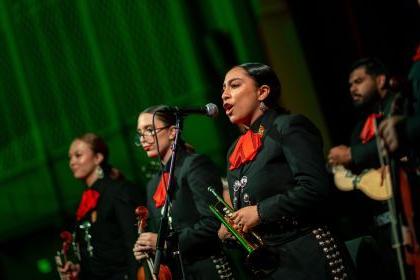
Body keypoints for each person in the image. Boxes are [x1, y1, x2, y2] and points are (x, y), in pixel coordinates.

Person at [220, 62, 355, 279]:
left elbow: (315, 188)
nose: (225, 94)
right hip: (273, 266)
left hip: (308, 254)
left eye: (234, 86)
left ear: (262, 92)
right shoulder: (234, 151)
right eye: (223, 88)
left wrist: (260, 212)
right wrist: (235, 230)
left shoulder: (288, 127)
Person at [132, 105, 236, 279]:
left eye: (149, 130)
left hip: (207, 270)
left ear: (173, 132)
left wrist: (163, 242)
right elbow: (162, 237)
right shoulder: (153, 184)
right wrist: (148, 250)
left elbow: (212, 223)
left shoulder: (195, 165)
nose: (143, 139)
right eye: (140, 133)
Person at [328, 58, 402, 279]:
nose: (353, 88)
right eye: (350, 84)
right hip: (379, 221)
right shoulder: (360, 127)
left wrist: (352, 154)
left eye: (359, 81)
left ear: (380, 80)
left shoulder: (397, 106)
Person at [57, 133, 141, 280]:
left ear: (98, 158)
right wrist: (80, 270)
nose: (72, 162)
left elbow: (132, 243)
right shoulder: (84, 202)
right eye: (70, 157)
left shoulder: (119, 191)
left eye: (78, 155)